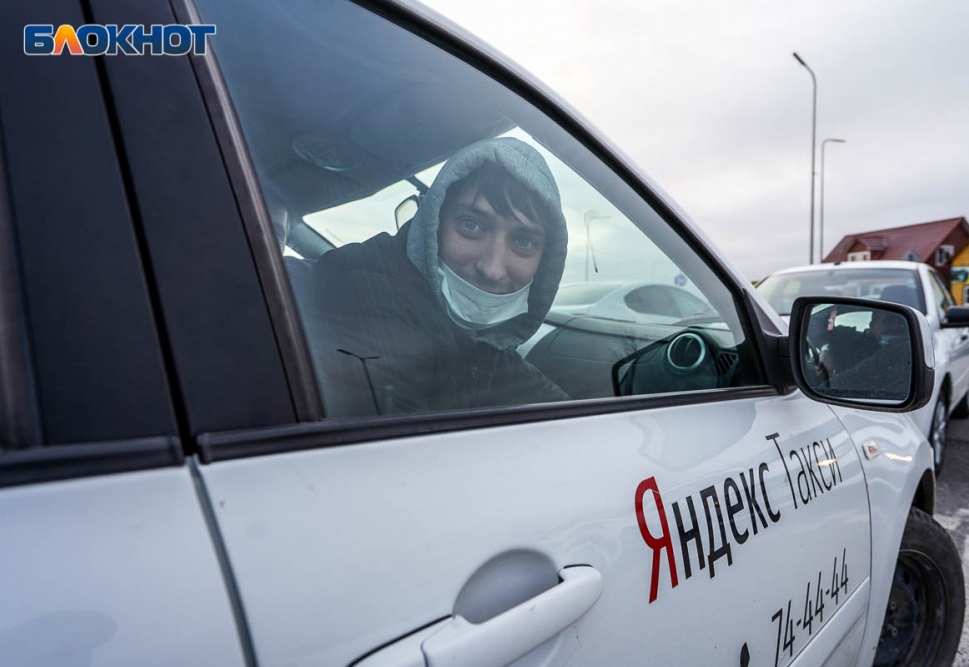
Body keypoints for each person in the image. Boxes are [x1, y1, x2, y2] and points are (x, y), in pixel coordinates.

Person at [299, 137, 570, 417]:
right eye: (471, 225)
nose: (492, 269)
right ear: (432, 223)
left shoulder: (480, 339)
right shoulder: (361, 304)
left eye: (523, 242)